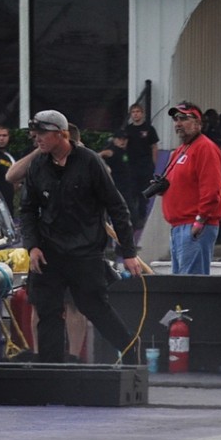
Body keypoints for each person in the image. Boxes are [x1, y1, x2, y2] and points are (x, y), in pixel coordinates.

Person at [18, 109, 143, 364]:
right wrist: (32, 247)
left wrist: (129, 252)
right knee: (47, 310)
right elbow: (27, 210)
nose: (36, 138)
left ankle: (131, 351)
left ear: (61, 134)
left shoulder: (90, 162)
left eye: (42, 133)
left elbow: (117, 207)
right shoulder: (37, 165)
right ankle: (50, 368)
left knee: (94, 307)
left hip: (85, 251)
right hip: (49, 250)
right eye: (34, 134)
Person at [160, 101, 221, 275]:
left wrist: (200, 220)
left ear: (198, 123)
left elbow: (212, 189)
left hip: (195, 225)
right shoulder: (180, 150)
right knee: (181, 284)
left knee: (192, 284)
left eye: (183, 118)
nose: (178, 123)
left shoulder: (205, 148)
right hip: (178, 226)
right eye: (176, 119)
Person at [123, 102, 160, 234]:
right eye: (133, 112)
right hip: (132, 166)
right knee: (132, 192)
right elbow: (123, 146)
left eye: (138, 112)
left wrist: (153, 163)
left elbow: (154, 146)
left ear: (142, 114)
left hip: (145, 165)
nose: (135, 114)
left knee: (144, 193)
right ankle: (134, 218)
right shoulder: (127, 130)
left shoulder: (149, 129)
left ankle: (142, 216)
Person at [97, 131, 139, 218]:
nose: (122, 141)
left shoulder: (125, 150)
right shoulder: (112, 150)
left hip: (126, 182)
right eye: (120, 139)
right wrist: (105, 166)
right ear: (115, 140)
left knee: (129, 203)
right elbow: (99, 155)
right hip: (117, 182)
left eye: (124, 139)